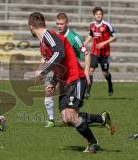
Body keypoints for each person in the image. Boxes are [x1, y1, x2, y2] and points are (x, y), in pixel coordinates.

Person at [28, 12, 115, 153]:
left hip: (76, 78)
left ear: (31, 27)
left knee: (70, 116)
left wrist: (43, 71)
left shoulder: (49, 35)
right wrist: (53, 82)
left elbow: (59, 53)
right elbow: (58, 64)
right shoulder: (43, 43)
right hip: (64, 83)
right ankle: (101, 118)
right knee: (65, 119)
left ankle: (93, 143)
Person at [42, 12, 91, 128]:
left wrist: (87, 73)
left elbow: (87, 54)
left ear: (67, 23)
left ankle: (98, 118)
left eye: (62, 24)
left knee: (69, 119)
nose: (59, 26)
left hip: (71, 73)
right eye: (57, 24)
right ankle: (51, 119)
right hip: (57, 71)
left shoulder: (74, 37)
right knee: (48, 89)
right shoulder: (54, 36)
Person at [83, 7, 117, 97]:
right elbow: (91, 35)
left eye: (100, 14)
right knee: (90, 70)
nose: (98, 16)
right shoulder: (91, 25)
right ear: (94, 16)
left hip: (105, 53)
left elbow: (114, 37)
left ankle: (110, 84)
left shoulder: (106, 25)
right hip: (94, 52)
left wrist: (103, 43)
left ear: (102, 15)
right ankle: (87, 92)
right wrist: (84, 44)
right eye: (97, 14)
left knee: (105, 73)